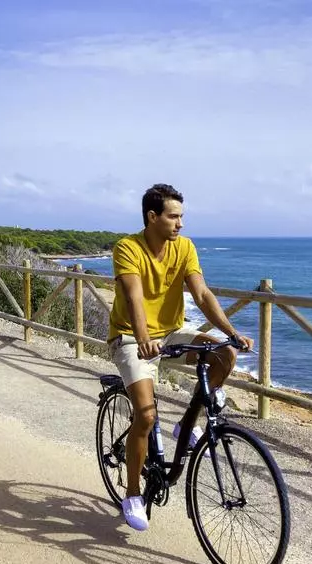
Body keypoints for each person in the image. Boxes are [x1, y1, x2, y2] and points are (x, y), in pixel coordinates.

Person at [108, 183, 254, 531]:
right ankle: (131, 494)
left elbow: (201, 293)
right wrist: (143, 339)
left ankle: (186, 424)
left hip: (172, 334)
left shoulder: (184, 247)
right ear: (152, 216)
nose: (180, 224)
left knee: (223, 355)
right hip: (131, 337)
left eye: (182, 217)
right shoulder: (127, 248)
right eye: (173, 217)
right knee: (144, 416)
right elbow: (134, 297)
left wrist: (231, 333)